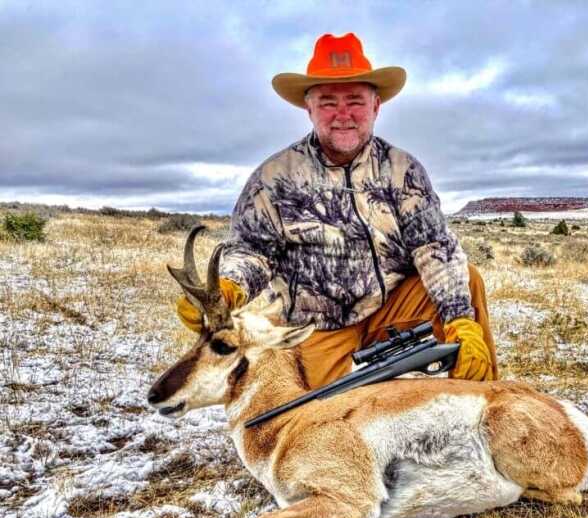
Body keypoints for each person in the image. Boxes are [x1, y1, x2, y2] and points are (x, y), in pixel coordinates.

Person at [177, 32, 498, 387]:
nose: (343, 115)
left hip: (391, 309)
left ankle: (485, 402)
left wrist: (460, 321)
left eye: (355, 101)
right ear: (309, 108)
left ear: (376, 106)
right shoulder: (273, 177)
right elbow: (251, 251)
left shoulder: (402, 170)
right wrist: (229, 286)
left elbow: (435, 246)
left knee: (467, 280)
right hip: (316, 328)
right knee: (322, 420)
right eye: (328, 102)